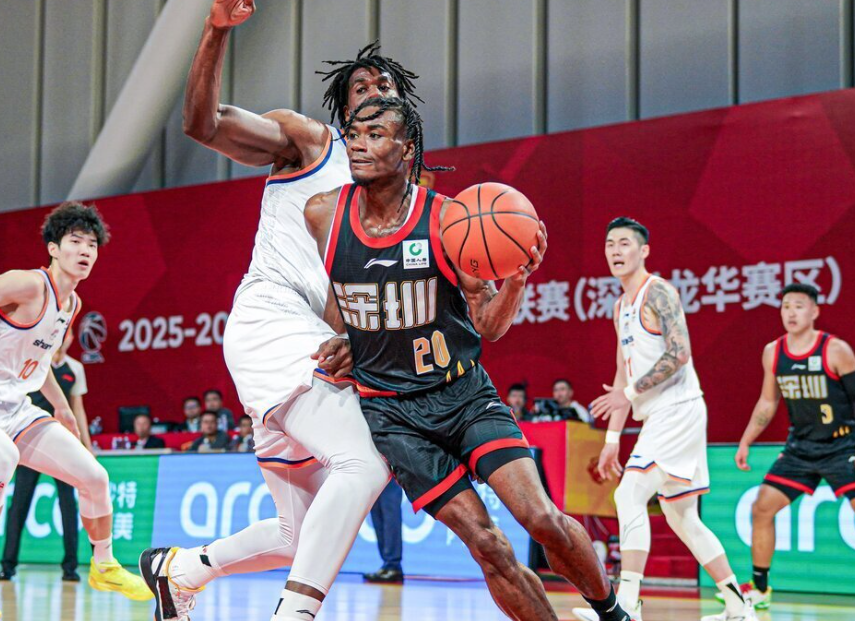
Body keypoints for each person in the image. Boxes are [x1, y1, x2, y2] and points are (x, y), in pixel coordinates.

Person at [140, 3, 416, 620]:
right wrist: (215, 32)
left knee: (298, 534)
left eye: (386, 85)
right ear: (343, 110)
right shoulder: (312, 143)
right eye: (361, 87)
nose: (375, 91)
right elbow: (202, 124)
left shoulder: (405, 201)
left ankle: (179, 571)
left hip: (319, 346)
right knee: (364, 462)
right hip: (272, 321)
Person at [305, 96, 628, 621]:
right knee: (487, 545)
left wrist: (516, 281)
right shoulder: (323, 213)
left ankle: (614, 614)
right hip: (393, 416)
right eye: (353, 135)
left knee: (541, 519)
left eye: (375, 135)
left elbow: (488, 326)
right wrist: (342, 341)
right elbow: (339, 302)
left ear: (407, 150)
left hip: (463, 395)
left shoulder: (448, 219)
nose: (359, 145)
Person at [0, 202, 151, 619]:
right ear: (53, 248)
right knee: (2, 459)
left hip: (15, 406)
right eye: (75, 241)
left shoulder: (71, 305)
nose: (85, 250)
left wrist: (62, 408)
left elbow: (40, 359)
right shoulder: (27, 284)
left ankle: (104, 564)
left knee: (94, 477)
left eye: (92, 244)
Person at [576, 217, 754, 621]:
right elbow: (621, 376)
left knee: (629, 495)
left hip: (678, 407)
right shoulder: (620, 307)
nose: (616, 250)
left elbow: (679, 354)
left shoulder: (658, 292)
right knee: (682, 516)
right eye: (610, 244)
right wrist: (611, 440)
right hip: (662, 413)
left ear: (644, 251)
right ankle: (738, 605)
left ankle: (628, 603)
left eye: (625, 243)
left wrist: (629, 394)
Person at [732, 283, 855, 617]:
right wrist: (746, 439)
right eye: (785, 306)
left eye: (799, 306)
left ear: (814, 311)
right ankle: (761, 589)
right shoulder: (773, 352)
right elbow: (768, 401)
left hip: (842, 446)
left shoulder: (835, 349)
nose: (791, 312)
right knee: (762, 507)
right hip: (800, 448)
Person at [0, 329, 89, 583]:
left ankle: (70, 568)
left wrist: (87, 446)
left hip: (62, 446)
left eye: (67, 335)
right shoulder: (36, 360)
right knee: (19, 505)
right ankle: (7, 566)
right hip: (31, 442)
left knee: (68, 505)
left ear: (70, 339)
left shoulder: (75, 368)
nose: (63, 339)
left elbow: (77, 408)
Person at [363, 479, 404, 583]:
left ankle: (393, 565)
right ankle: (388, 564)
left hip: (391, 472)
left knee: (390, 512)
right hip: (371, 473)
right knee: (377, 512)